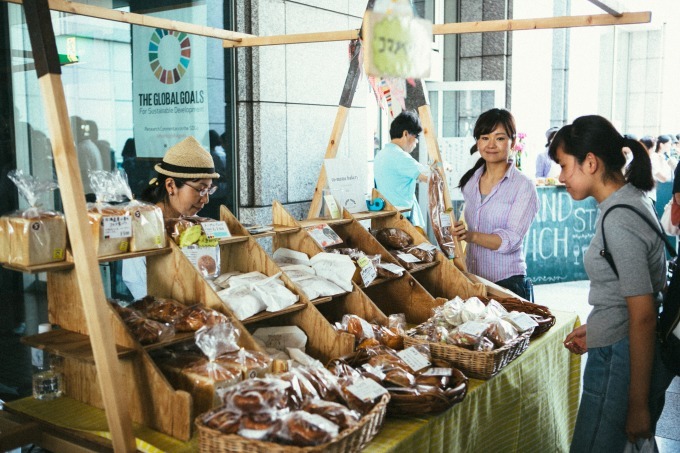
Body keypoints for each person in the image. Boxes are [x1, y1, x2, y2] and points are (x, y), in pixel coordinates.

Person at [553, 115, 674, 452]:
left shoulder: (619, 217)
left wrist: (636, 406)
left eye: (564, 166)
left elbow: (643, 314)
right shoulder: (630, 200)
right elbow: (625, 297)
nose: (561, 177)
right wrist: (599, 328)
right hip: (615, 347)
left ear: (590, 162)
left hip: (618, 364)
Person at [451, 108, 539, 300]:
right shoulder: (471, 181)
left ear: (513, 142)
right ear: (477, 141)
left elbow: (511, 240)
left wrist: (470, 235)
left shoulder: (523, 186)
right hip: (474, 281)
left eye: (499, 138)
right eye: (484, 137)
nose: (491, 144)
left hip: (507, 284)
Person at [122, 136, 220, 299]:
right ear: (170, 185)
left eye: (209, 190)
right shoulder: (143, 228)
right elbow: (140, 289)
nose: (206, 199)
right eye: (201, 189)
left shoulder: (195, 224)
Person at [373, 110, 429, 227]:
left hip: (386, 219)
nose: (417, 141)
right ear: (406, 134)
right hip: (401, 221)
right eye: (416, 136)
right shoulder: (400, 156)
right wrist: (440, 166)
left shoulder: (381, 154)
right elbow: (429, 177)